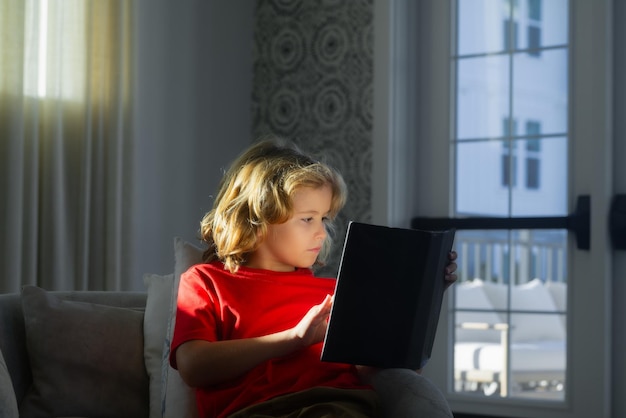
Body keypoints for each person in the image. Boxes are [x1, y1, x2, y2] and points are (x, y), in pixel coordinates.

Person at [170, 137, 458, 418]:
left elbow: (382, 370)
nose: (321, 233)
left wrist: (426, 299)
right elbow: (193, 367)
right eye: (308, 219)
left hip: (337, 405)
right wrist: (294, 338)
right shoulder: (206, 282)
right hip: (255, 410)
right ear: (258, 219)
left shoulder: (338, 292)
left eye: (324, 219)